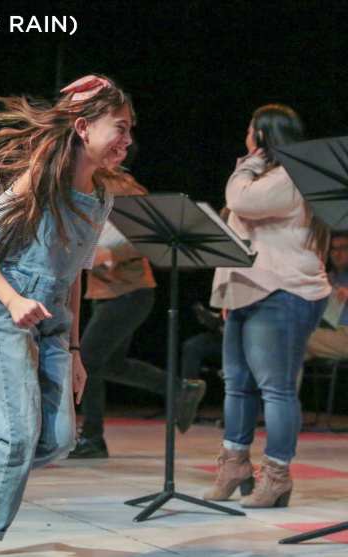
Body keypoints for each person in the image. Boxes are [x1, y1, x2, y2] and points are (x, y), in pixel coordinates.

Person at [0, 75, 132, 557]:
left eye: (131, 130)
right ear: (84, 128)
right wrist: (12, 300)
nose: (127, 141)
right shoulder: (41, 180)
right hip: (8, 310)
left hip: (54, 323)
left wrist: (75, 349)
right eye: (120, 128)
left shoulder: (102, 195)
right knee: (21, 434)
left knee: (60, 440)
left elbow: (74, 275)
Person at [204, 104, 330, 509]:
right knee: (236, 383)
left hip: (284, 290)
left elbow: (240, 201)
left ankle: (276, 476)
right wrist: (228, 293)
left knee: (275, 389)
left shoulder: (290, 175)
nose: (245, 137)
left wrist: (247, 163)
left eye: (250, 132)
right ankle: (235, 464)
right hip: (249, 288)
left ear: (262, 136)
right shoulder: (270, 175)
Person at [68, 169, 207, 459]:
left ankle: (93, 438)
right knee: (112, 365)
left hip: (130, 291)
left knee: (89, 360)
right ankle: (182, 388)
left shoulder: (126, 188)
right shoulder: (88, 183)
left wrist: (110, 255)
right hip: (105, 292)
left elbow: (150, 236)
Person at [305, 231, 348, 360]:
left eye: (344, 248)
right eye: (333, 249)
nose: (337, 254)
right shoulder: (327, 277)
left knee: (294, 336)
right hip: (328, 330)